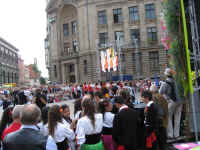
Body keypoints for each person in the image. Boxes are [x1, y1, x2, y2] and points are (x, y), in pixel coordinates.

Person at [159, 68, 183, 139]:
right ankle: (177, 135)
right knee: (177, 118)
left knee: (168, 118)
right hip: (180, 101)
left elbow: (160, 93)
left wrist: (166, 98)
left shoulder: (165, 83)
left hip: (171, 101)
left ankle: (170, 135)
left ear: (166, 75)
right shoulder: (177, 81)